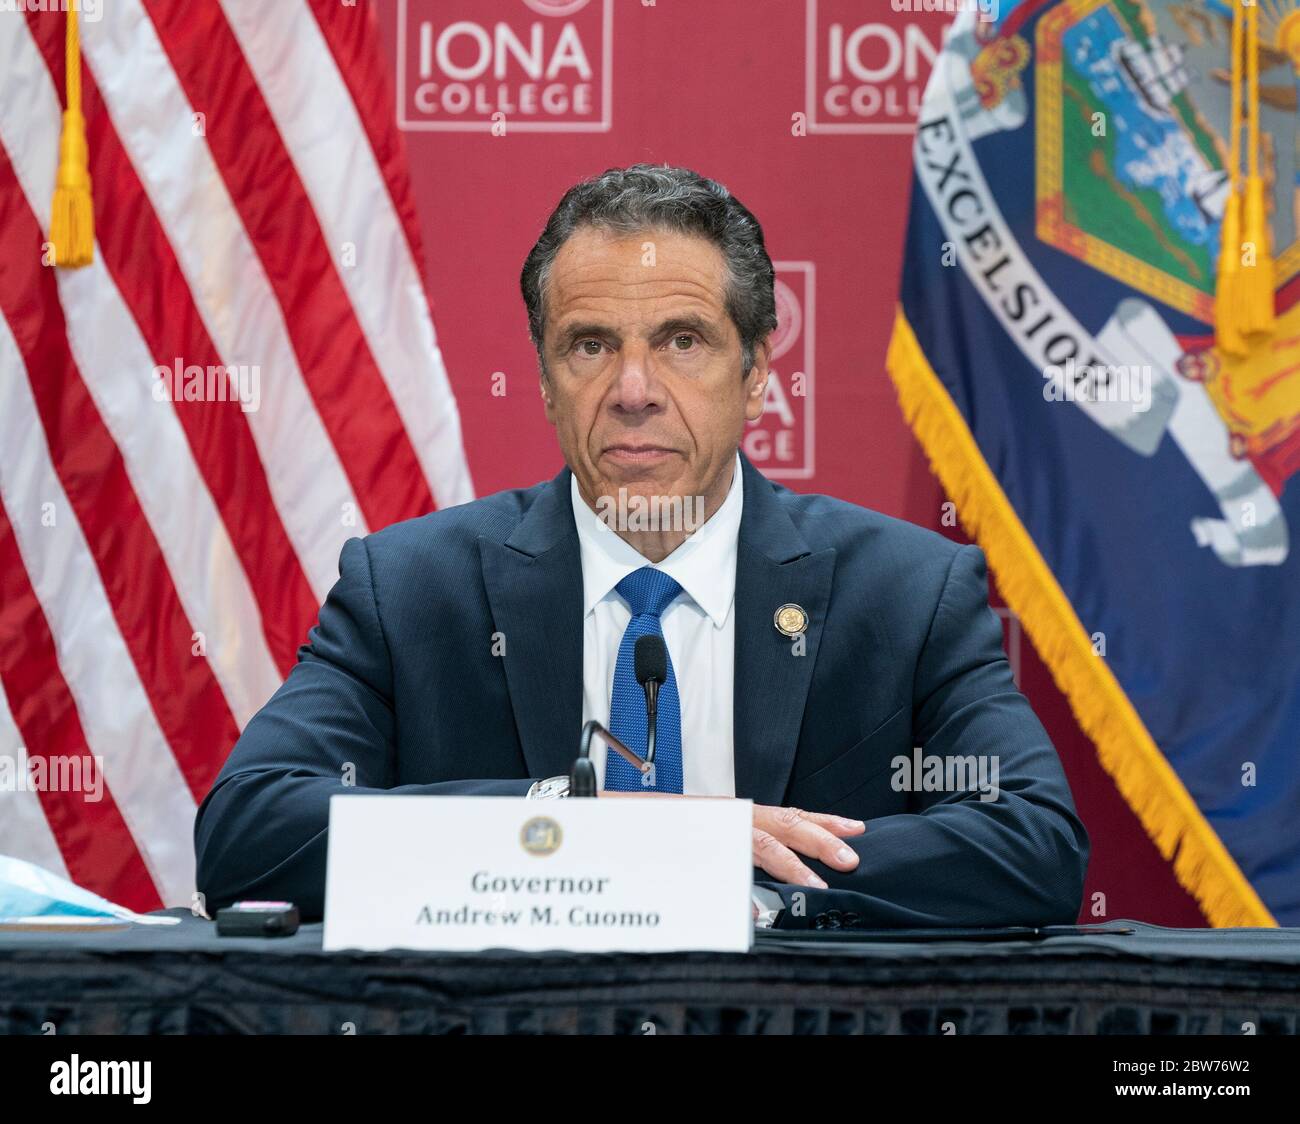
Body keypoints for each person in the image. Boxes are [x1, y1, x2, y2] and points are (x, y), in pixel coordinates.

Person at [194, 164, 1088, 926]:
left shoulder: (904, 594)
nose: (633, 390)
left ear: (757, 375)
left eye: (683, 341)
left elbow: (1031, 843)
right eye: (589, 346)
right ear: (545, 381)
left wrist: (729, 879)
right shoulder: (412, 592)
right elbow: (251, 834)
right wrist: (571, 830)